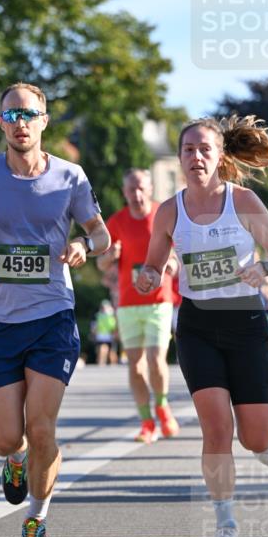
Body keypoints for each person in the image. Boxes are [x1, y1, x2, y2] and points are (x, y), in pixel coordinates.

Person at [0, 82, 110, 537]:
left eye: (29, 114)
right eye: (11, 115)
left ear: (44, 120)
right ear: (1, 122)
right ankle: (14, 460)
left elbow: (101, 235)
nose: (20, 123)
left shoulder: (70, 177)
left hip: (52, 316)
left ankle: (35, 519)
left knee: (42, 429)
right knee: (5, 438)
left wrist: (83, 245)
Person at [136, 114, 268, 537]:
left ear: (220, 155)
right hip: (198, 326)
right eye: (188, 150)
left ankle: (267, 438)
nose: (196, 157)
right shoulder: (169, 211)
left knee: (254, 438)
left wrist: (263, 266)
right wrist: (148, 275)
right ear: (180, 158)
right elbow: (154, 263)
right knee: (216, 426)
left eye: (205, 149)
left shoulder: (242, 201)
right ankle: (226, 527)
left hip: (245, 323)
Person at [98, 168, 180, 442]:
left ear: (150, 189)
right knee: (135, 366)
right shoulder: (117, 221)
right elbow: (99, 262)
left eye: (141, 188)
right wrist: (110, 257)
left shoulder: (162, 214)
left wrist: (170, 264)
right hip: (128, 302)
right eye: (131, 189)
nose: (136, 194)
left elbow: (178, 256)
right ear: (124, 192)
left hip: (158, 300)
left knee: (156, 360)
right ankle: (147, 421)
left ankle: (162, 406)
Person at [90, 299, 117, 366]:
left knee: (109, 351)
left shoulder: (109, 315)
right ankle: (102, 363)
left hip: (108, 335)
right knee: (103, 349)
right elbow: (94, 326)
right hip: (102, 335)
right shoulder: (101, 315)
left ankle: (105, 363)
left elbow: (113, 326)